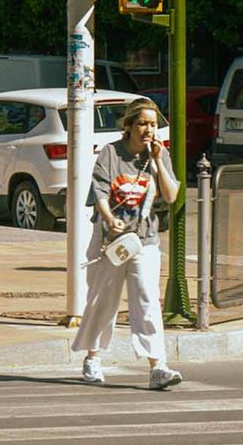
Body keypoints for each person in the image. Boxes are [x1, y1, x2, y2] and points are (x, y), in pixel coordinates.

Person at [71, 96, 183, 390]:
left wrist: (158, 159)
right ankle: (92, 358)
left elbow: (171, 196)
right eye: (143, 124)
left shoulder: (158, 155)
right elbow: (100, 191)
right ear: (129, 125)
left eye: (153, 124)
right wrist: (109, 219)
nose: (148, 130)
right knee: (102, 300)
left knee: (147, 300)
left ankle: (157, 365)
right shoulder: (112, 153)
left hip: (144, 240)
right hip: (111, 240)